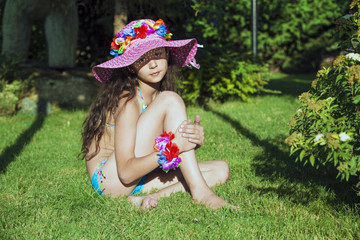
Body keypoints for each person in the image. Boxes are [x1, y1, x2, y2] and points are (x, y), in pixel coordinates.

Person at [80, 19, 236, 210]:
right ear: (130, 66)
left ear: (167, 54)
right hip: (111, 181)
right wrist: (175, 145)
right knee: (171, 99)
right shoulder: (128, 101)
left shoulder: (158, 97)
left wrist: (192, 139)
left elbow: (157, 146)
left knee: (220, 169)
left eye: (157, 54)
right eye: (142, 58)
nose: (153, 64)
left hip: (138, 179)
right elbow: (126, 173)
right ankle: (201, 193)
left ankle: (149, 198)